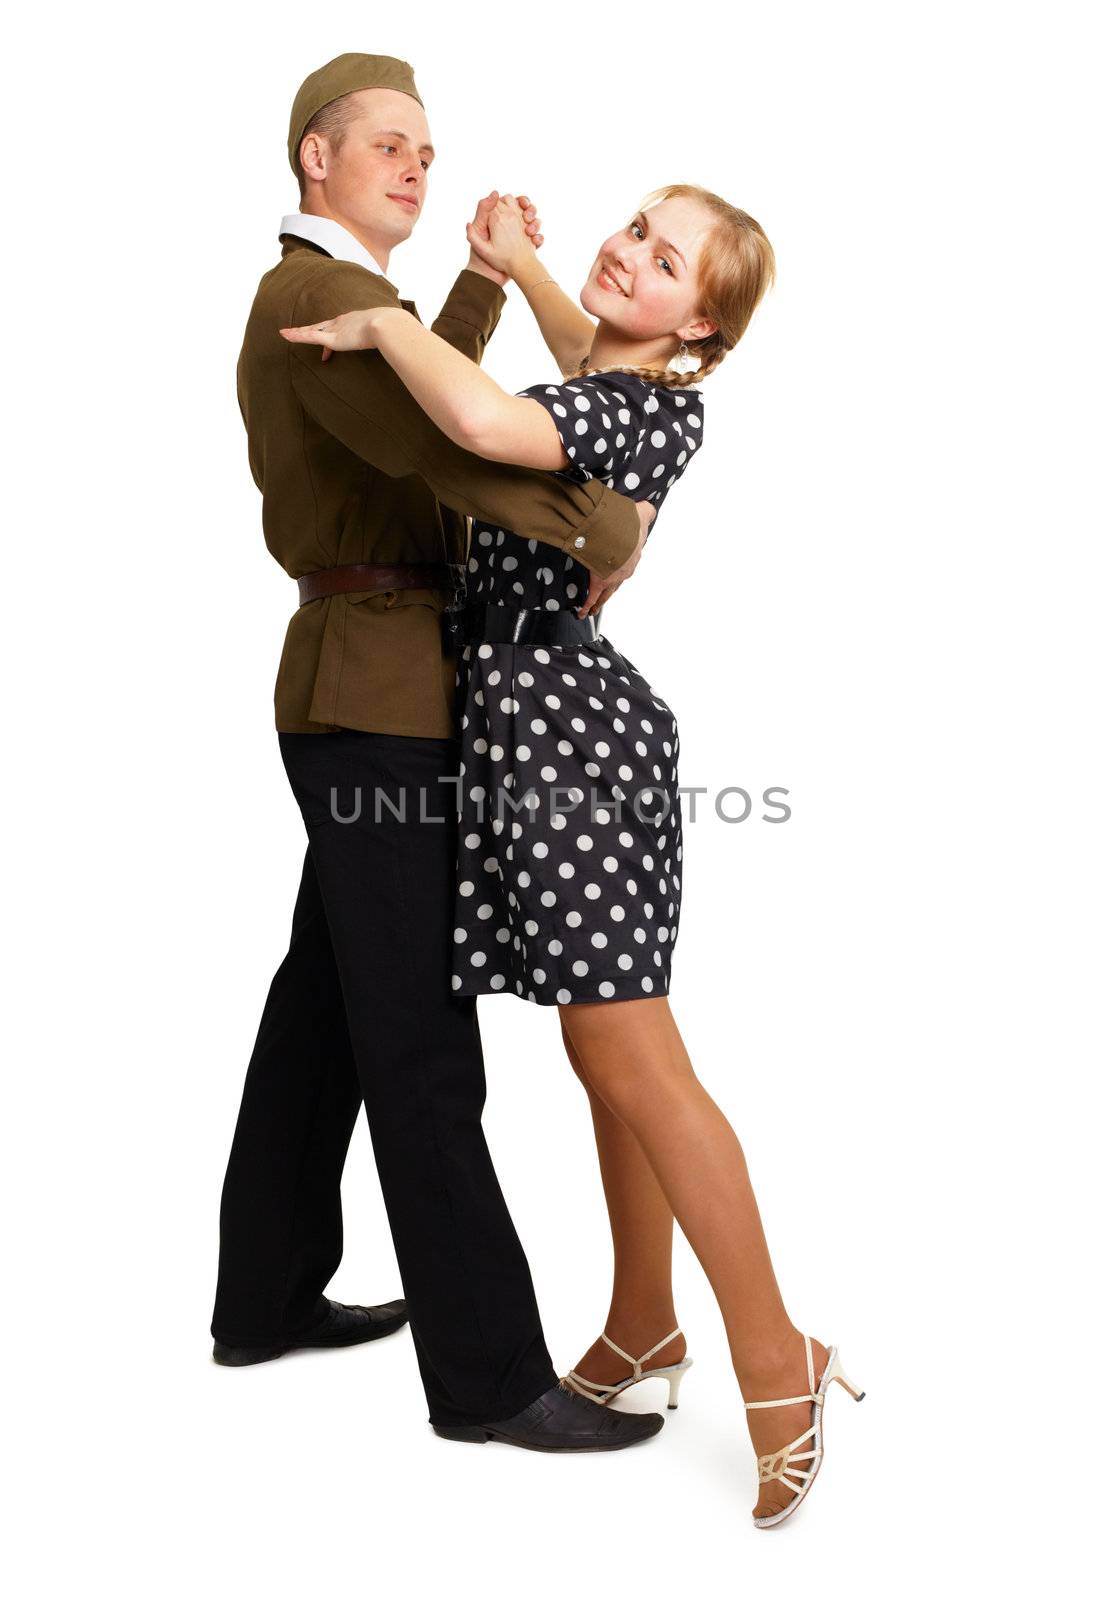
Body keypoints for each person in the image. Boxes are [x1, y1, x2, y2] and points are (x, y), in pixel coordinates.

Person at [282, 186, 866, 1525]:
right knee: (603, 1056)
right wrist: (528, 263)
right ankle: (645, 1328)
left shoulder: (635, 407)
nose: (629, 256)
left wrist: (383, 321)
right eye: (634, 228)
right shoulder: (621, 370)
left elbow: (486, 418)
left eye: (664, 261)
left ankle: (776, 1360)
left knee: (632, 1059)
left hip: (572, 753)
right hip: (533, 742)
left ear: (700, 322)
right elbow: (587, 339)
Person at [212, 52, 664, 1456]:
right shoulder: (318, 300)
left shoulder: (351, 302)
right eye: (386, 146)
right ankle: (490, 1380)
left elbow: (408, 405)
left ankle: (265, 1298)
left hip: (365, 688)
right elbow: (447, 449)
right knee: (418, 1042)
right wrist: (599, 523)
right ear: (315, 161)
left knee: (327, 1009)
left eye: (427, 145)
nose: (415, 164)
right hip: (379, 702)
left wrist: (470, 290)